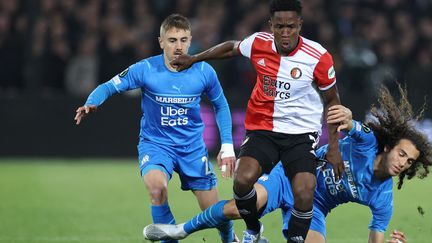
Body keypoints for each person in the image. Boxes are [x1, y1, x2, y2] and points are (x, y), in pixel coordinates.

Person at [142, 85, 432, 243]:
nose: (402, 163)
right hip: (290, 177)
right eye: (402, 154)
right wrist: (344, 115)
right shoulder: (367, 143)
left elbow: (375, 240)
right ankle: (180, 230)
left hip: (314, 208)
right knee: (242, 207)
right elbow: (350, 123)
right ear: (388, 147)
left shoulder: (383, 198)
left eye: (409, 162)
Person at [171, 0, 343, 242]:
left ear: (300, 25)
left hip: (302, 134)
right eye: (280, 26)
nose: (285, 32)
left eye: (291, 27)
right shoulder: (259, 42)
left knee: (305, 192)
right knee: (241, 181)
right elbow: (232, 47)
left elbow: (333, 101)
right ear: (271, 25)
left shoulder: (318, 57)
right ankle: (253, 229)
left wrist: (334, 148)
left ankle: (295, 239)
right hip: (263, 128)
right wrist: (194, 58)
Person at [74, 14, 238, 243]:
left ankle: (231, 240)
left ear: (190, 41)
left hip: (192, 149)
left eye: (183, 40)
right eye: (172, 40)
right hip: (156, 144)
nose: (178, 46)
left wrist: (228, 145)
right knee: (156, 189)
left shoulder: (204, 71)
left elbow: (221, 105)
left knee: (213, 211)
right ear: (160, 42)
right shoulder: (146, 69)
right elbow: (109, 86)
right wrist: (92, 101)